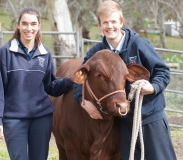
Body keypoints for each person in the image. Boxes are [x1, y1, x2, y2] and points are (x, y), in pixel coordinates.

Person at [72, 0, 177, 159]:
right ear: (99, 25)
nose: (110, 26)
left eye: (113, 21)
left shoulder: (139, 45)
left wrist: (153, 87)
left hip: (149, 117)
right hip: (124, 122)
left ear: (121, 22)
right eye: (105, 22)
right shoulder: (97, 53)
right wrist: (82, 101)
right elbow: (81, 77)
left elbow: (162, 71)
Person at [0, 6, 72, 160]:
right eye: (25, 23)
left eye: (33, 24)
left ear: (39, 25)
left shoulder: (45, 53)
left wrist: (71, 80)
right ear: (18, 25)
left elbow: (50, 86)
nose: (29, 28)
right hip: (14, 119)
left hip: (41, 118)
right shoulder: (6, 52)